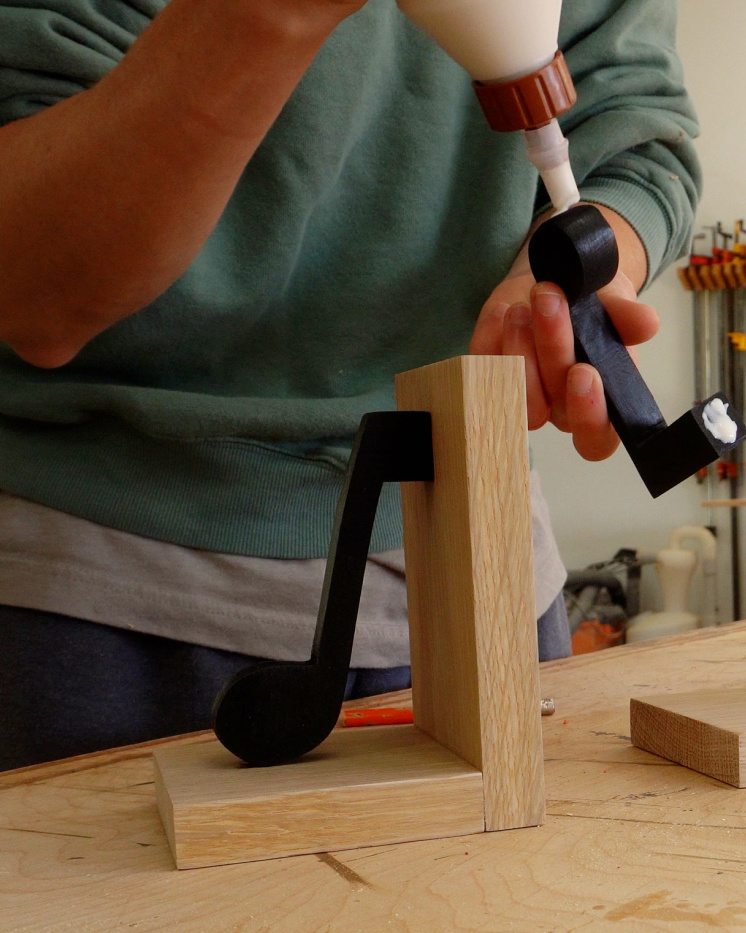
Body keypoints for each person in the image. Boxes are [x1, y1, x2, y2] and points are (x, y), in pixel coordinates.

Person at [0, 0, 700, 770]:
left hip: (488, 572)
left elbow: (636, 135)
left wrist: (578, 261)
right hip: (111, 603)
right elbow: (33, 286)